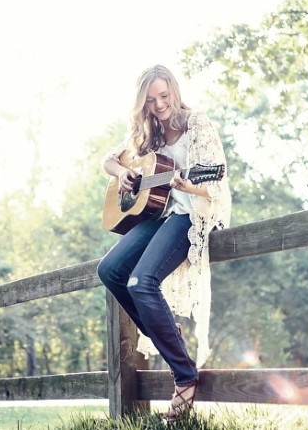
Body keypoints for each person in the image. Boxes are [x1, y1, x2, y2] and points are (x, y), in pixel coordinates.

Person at [96, 64, 231, 419]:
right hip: (159, 215)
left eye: (164, 96)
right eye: (151, 100)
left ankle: (185, 376)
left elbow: (215, 183)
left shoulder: (196, 123)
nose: (159, 105)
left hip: (189, 213)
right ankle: (165, 330)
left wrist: (190, 186)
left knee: (142, 282)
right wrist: (124, 174)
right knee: (110, 269)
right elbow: (108, 161)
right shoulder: (150, 133)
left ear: (174, 89)